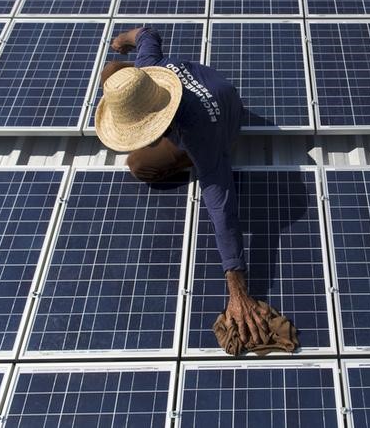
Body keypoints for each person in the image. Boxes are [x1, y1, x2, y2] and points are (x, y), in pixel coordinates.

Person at [95, 27, 269, 346]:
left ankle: (191, 159)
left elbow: (222, 206)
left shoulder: (197, 133)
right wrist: (124, 39)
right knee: (111, 73)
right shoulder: (151, 68)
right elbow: (147, 34)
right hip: (218, 88)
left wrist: (237, 287)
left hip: (223, 124)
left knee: (140, 165)